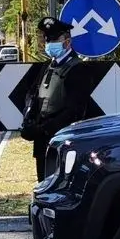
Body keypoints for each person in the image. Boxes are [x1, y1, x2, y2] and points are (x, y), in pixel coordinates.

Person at [19, 16, 91, 180]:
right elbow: (33, 94)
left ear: (67, 41)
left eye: (54, 39)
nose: (50, 43)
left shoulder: (77, 69)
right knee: (42, 184)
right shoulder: (47, 66)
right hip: (42, 144)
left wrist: (44, 129)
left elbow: (75, 109)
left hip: (63, 142)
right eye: (47, 38)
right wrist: (29, 118)